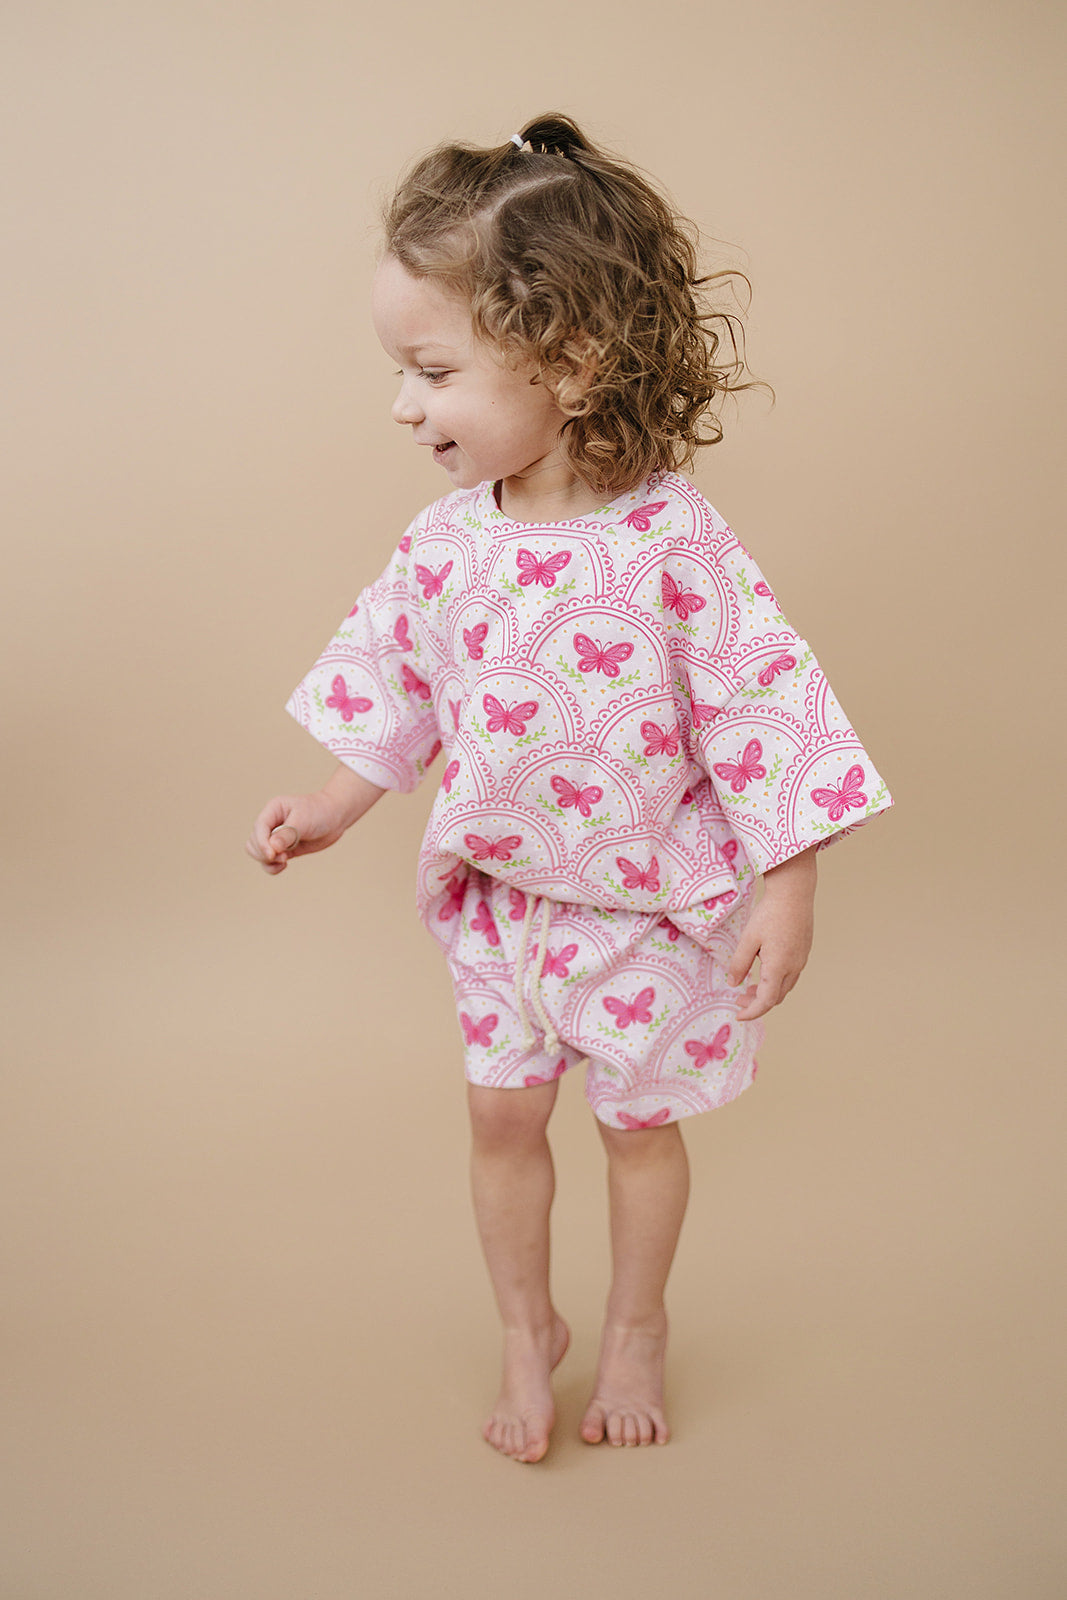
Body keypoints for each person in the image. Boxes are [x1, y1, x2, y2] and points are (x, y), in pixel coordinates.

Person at [246, 114, 893, 1463]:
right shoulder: (444, 548)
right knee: (500, 1116)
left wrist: (789, 880)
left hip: (642, 907)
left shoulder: (672, 540)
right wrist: (330, 804)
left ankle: (638, 1322)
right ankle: (525, 1326)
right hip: (509, 907)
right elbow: (398, 687)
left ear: (574, 361)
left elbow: (762, 703)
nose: (404, 406)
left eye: (433, 371)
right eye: (400, 372)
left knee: (639, 1129)